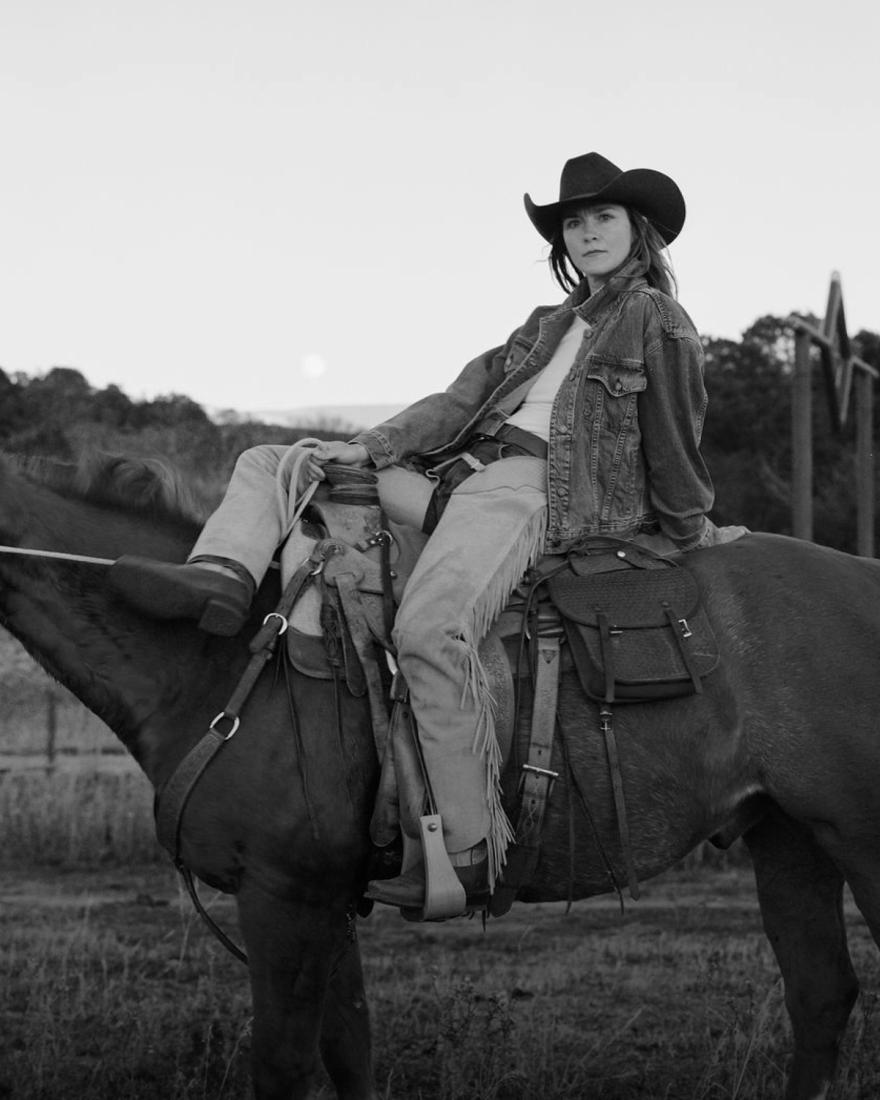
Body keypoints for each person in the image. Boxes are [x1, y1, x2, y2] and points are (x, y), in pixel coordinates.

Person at [110, 152, 744, 913]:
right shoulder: (544, 326)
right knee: (280, 459)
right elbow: (453, 403)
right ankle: (221, 574)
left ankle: (470, 852)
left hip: (537, 491)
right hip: (456, 478)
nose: (586, 233)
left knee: (431, 631)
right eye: (574, 222)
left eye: (602, 217)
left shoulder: (656, 320)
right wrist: (370, 448)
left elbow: (675, 440)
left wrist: (687, 532)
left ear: (638, 229)